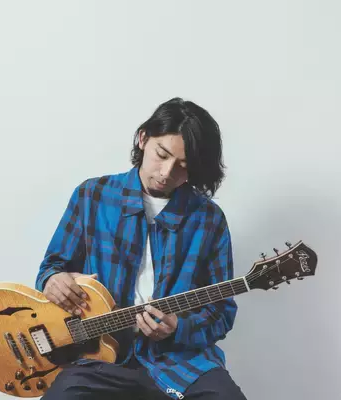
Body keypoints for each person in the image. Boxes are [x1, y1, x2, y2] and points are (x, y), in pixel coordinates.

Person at [35, 97, 247, 399]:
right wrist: (53, 280)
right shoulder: (92, 195)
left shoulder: (209, 219)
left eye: (183, 167)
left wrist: (178, 328)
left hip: (179, 360)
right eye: (162, 155)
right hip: (97, 359)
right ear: (143, 138)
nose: (166, 172)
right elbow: (51, 269)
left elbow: (221, 312)